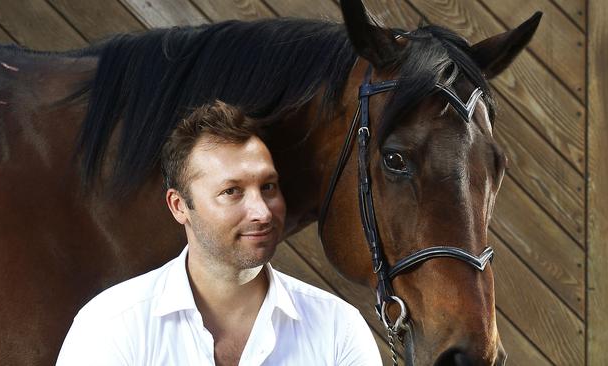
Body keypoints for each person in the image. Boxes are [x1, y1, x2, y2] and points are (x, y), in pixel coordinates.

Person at [56, 101, 382, 366]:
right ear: (179, 206)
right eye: (231, 191)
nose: (262, 211)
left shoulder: (338, 328)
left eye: (267, 186)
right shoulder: (112, 324)